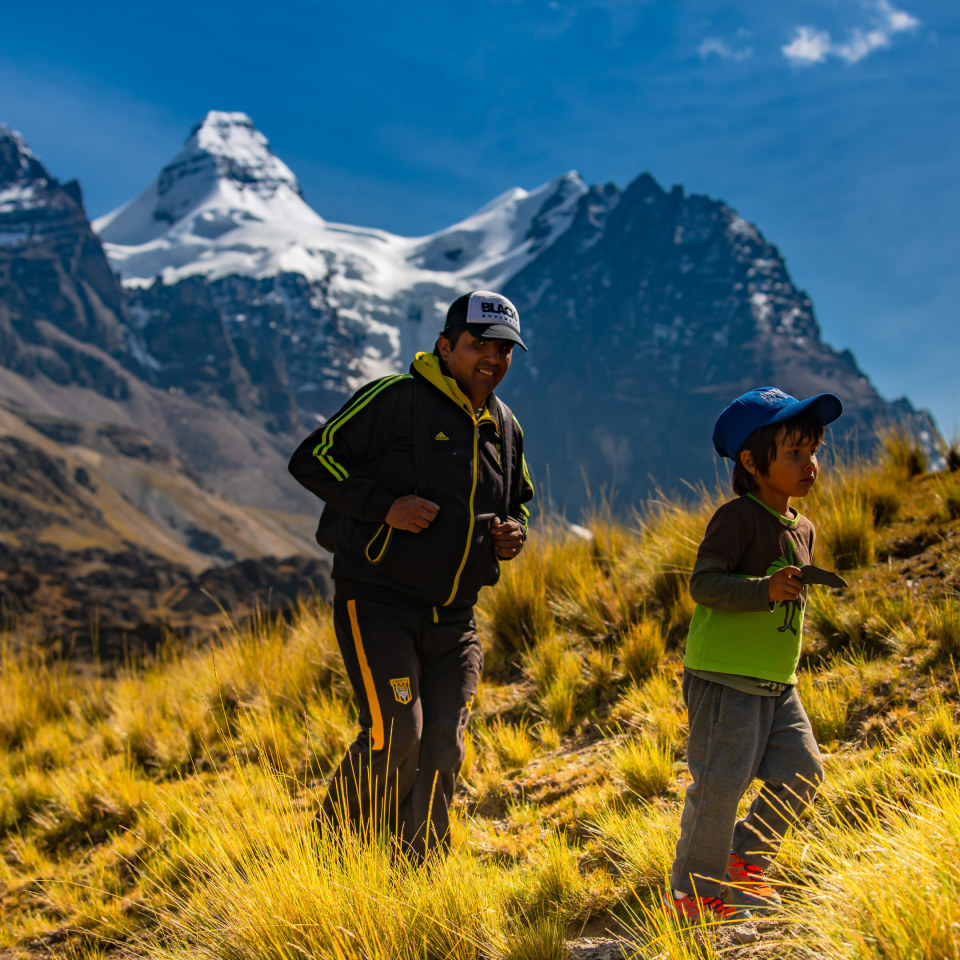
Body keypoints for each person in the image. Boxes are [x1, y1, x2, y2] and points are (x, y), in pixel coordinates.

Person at [288, 290, 534, 860]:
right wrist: (384, 507)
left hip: (456, 621)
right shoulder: (396, 398)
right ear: (445, 346)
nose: (492, 358)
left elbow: (519, 501)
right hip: (379, 605)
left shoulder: (505, 427)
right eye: (479, 345)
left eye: (504, 349)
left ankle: (414, 872)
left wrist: (513, 533)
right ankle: (329, 861)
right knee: (396, 735)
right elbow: (313, 458)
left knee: (443, 748)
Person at [664, 386, 843, 923]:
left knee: (803, 771)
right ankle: (693, 895)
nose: (809, 464)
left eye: (813, 451)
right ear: (750, 461)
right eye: (794, 452)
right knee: (720, 787)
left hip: (777, 681)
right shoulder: (737, 517)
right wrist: (764, 589)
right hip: (725, 678)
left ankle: (744, 862)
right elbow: (703, 584)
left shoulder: (803, 527)